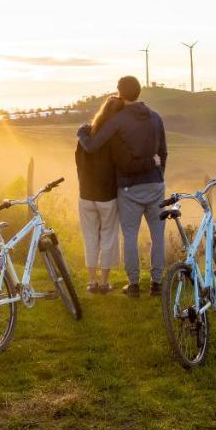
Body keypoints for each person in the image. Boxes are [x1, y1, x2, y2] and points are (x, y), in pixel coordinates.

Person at [76, 75, 168, 297]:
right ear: (139, 92)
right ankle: (156, 283)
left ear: (119, 92)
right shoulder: (156, 118)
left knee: (130, 236)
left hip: (129, 188)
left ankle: (134, 285)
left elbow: (92, 145)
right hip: (155, 185)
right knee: (158, 236)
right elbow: (163, 152)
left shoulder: (118, 120)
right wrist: (158, 175)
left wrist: (82, 133)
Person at [74, 95, 124, 293]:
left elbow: (78, 164)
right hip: (107, 196)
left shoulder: (85, 135)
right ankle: (104, 282)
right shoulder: (114, 139)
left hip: (85, 194)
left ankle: (92, 281)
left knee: (90, 237)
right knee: (109, 237)